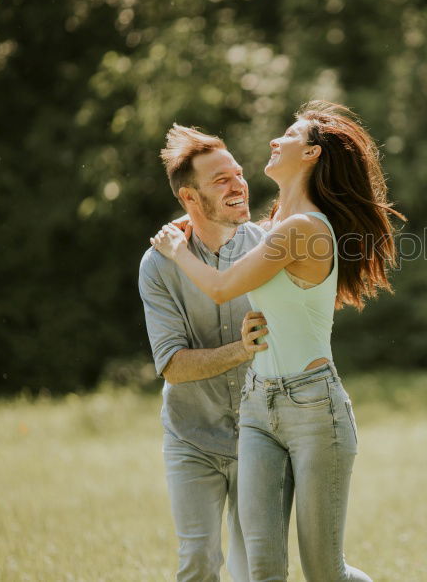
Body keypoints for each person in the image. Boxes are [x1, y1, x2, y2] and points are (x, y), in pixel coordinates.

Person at [150, 100, 404, 582]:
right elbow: (232, 242)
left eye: (288, 134)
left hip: (314, 409)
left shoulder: (303, 231)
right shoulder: (271, 231)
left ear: (310, 154)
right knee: (264, 571)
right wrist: (195, 225)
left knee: (324, 572)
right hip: (258, 408)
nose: (274, 140)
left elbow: (223, 286)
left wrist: (177, 249)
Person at [138, 124, 264, 582]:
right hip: (191, 438)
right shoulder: (158, 265)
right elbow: (172, 366)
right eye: (221, 180)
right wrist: (241, 350)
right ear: (190, 198)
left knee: (256, 569)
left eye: (238, 173)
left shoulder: (269, 246)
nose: (238, 184)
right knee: (198, 564)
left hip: (261, 437)